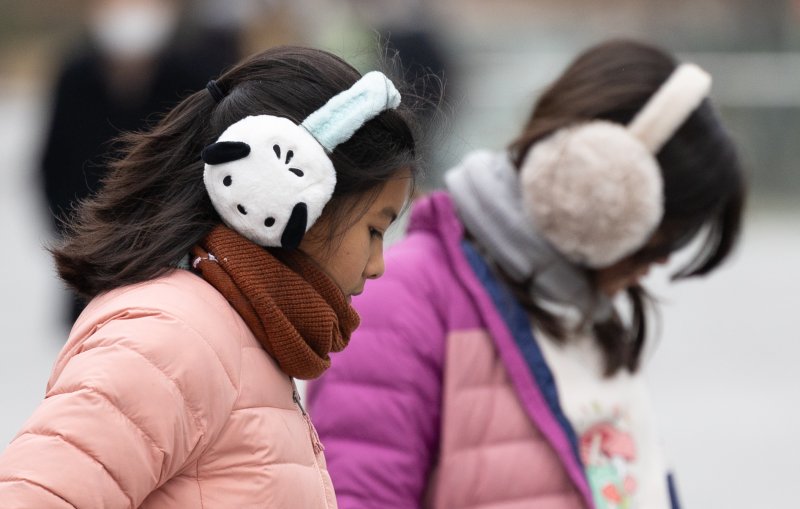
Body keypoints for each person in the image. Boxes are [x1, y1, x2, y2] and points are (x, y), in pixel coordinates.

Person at [307, 39, 746, 509]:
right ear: (604, 182)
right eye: (663, 236)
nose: (660, 262)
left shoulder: (579, 306)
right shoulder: (405, 301)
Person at [0, 45, 419, 507]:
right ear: (286, 193)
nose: (379, 264)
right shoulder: (171, 341)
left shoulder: (233, 333)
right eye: (375, 229)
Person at [40, 0, 239, 325]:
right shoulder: (74, 77)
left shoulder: (197, 76)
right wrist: (79, 239)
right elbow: (52, 166)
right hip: (93, 263)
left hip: (180, 266)